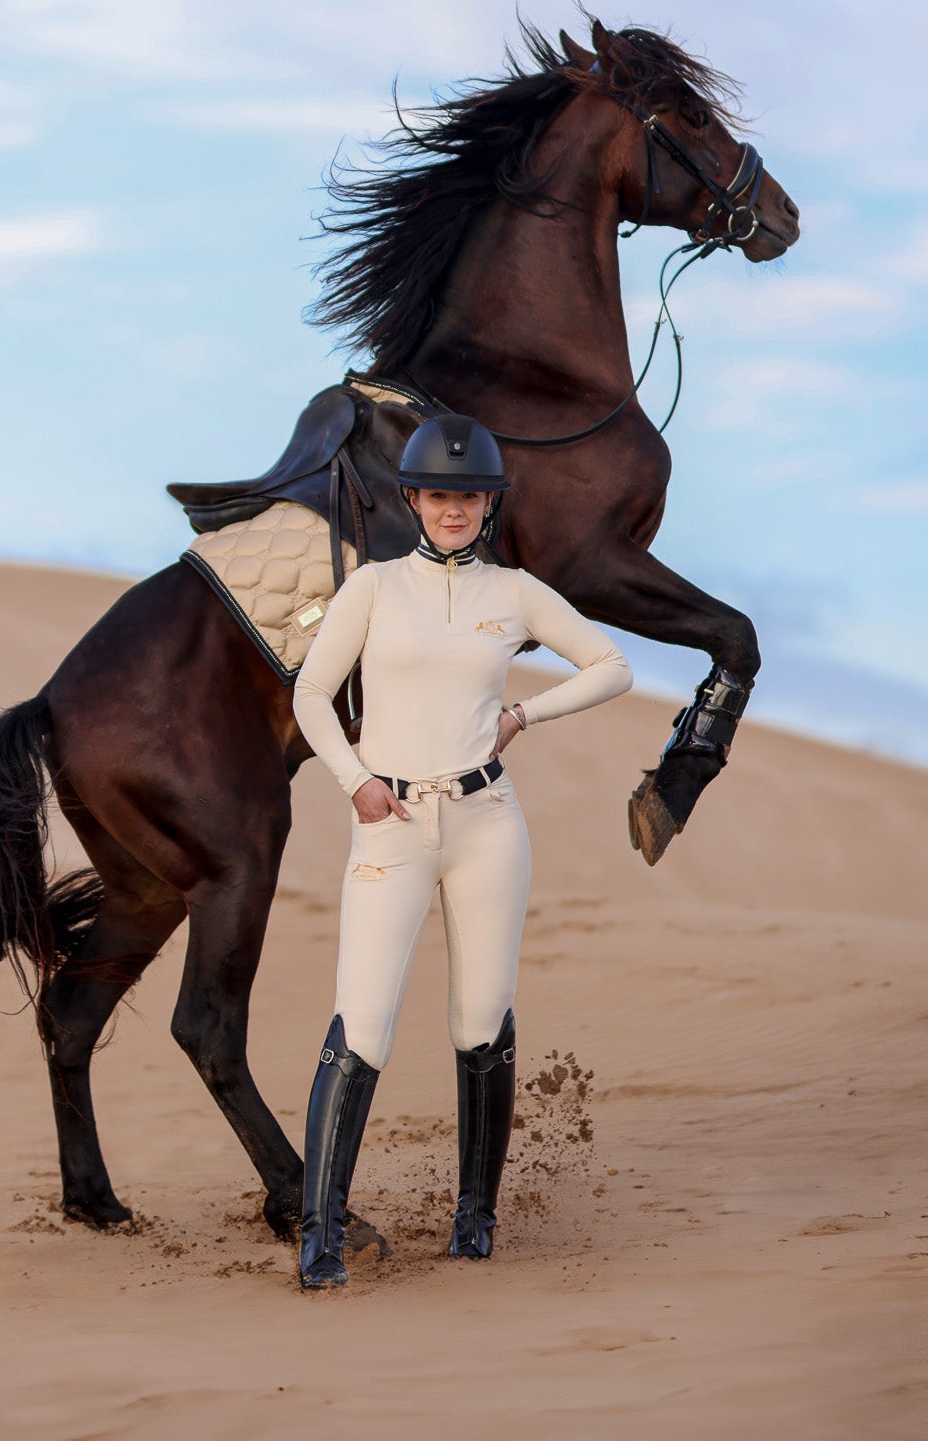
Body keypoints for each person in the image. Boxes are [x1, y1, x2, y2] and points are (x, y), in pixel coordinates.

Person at [291, 412, 633, 1290]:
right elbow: (313, 694)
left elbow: (611, 666)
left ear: (489, 505)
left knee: (481, 1022)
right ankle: (319, 1239)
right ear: (413, 498)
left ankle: (474, 1224)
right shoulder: (374, 588)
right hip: (391, 824)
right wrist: (354, 781)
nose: (454, 509)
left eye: (471, 496)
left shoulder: (514, 594)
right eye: (440, 494)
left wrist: (523, 715)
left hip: (488, 824)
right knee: (362, 1025)